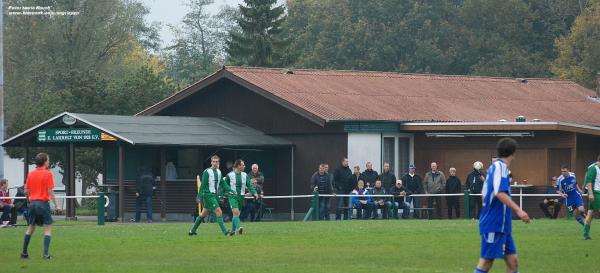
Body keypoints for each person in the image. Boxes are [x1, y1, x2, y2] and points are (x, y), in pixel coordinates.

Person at [474, 138, 530, 273]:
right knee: (486, 262)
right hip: (494, 223)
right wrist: (519, 210)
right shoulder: (500, 168)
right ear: (514, 153)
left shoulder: (495, 168)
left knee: (513, 263)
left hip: (503, 225)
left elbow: (486, 193)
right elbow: (500, 193)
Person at [20, 153, 61, 259]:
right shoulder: (48, 174)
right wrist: (56, 205)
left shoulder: (31, 174)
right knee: (47, 228)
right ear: (44, 162)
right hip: (43, 204)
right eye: (48, 160)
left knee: (30, 228)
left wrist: (29, 200)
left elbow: (26, 191)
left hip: (33, 204)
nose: (49, 162)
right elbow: (50, 191)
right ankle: (46, 255)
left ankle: (24, 253)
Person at [188, 155, 230, 237]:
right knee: (219, 211)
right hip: (208, 195)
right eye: (213, 161)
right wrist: (199, 196)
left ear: (219, 163)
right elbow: (203, 185)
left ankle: (192, 231)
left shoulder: (219, 172)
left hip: (214, 195)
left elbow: (223, 183)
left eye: (216, 162)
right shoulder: (207, 172)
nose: (215, 163)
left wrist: (231, 190)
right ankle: (226, 232)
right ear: (211, 162)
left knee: (203, 215)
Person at [224, 159, 259, 235]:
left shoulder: (245, 175)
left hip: (241, 197)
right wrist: (224, 193)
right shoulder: (229, 175)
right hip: (232, 196)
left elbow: (249, 185)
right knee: (236, 213)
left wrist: (255, 193)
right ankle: (238, 228)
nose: (244, 166)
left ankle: (232, 232)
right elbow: (224, 185)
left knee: (236, 214)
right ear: (238, 166)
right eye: (243, 165)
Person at [583, 154, 600, 240]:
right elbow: (588, 182)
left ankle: (585, 235)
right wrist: (591, 194)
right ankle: (585, 235)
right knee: (590, 213)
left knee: (590, 213)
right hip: (596, 193)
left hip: (598, 192)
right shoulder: (593, 168)